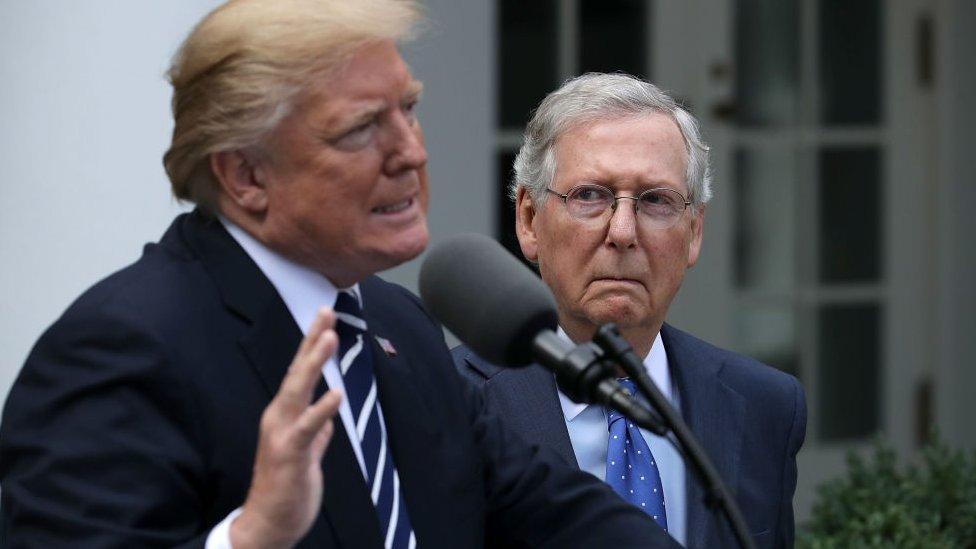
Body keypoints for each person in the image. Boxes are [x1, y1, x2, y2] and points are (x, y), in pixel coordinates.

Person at [0, 3, 678, 548]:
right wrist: (250, 536)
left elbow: (548, 509)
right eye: (360, 130)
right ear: (246, 175)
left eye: (408, 110)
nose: (411, 152)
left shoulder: (396, 326)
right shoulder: (120, 347)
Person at [452, 73, 807, 548]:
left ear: (695, 231)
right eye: (590, 195)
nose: (622, 231)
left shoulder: (764, 406)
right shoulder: (450, 401)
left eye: (655, 200)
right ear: (529, 219)